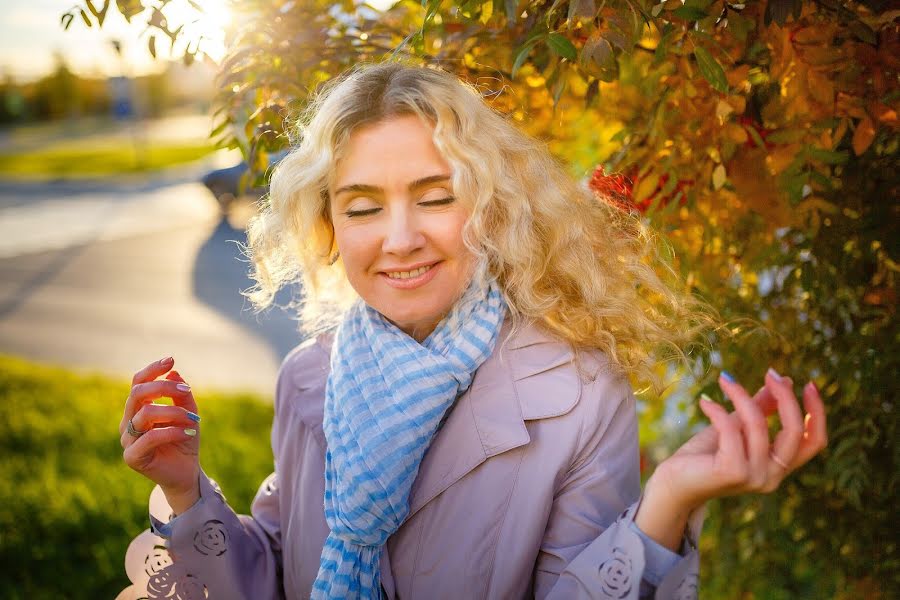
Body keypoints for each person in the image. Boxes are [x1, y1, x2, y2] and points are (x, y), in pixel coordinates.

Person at [116, 62, 827, 600]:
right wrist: (186, 491)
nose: (399, 239)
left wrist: (669, 497)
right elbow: (278, 568)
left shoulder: (577, 391)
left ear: (490, 210)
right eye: (362, 208)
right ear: (329, 226)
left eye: (435, 198)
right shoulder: (311, 373)